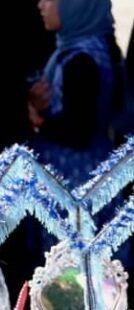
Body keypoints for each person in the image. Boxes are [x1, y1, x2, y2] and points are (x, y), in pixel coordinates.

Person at [29, 0, 125, 187]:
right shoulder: (95, 46)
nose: (40, 5)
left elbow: (79, 132)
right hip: (95, 169)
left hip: (74, 180)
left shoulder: (81, 60)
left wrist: (36, 121)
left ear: (73, 6)